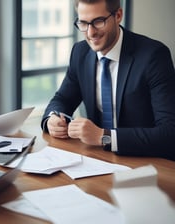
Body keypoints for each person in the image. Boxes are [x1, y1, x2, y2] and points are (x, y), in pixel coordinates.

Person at [41, 0, 175, 160]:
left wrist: (104, 137)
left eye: (98, 22)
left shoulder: (153, 56)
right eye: (83, 23)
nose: (90, 33)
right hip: (97, 159)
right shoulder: (80, 52)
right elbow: (62, 99)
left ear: (118, 16)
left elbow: (169, 133)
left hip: (146, 162)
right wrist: (52, 119)